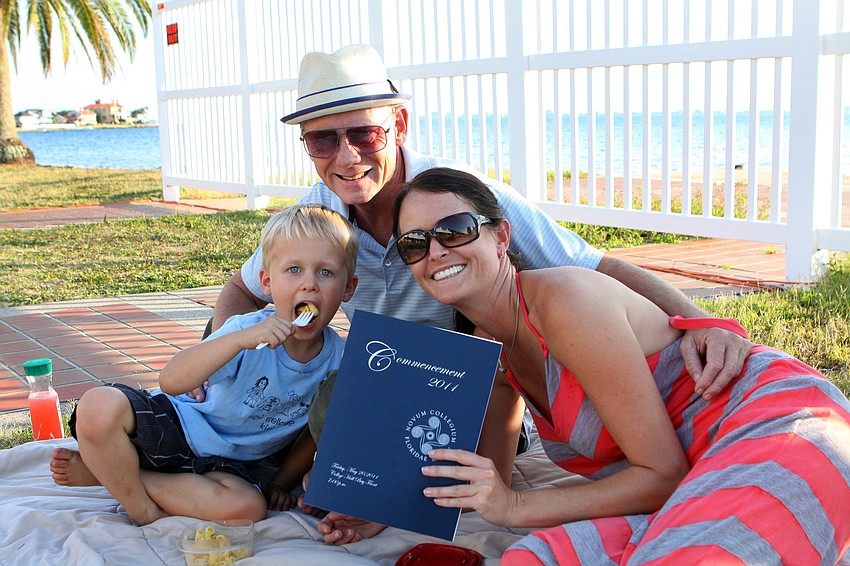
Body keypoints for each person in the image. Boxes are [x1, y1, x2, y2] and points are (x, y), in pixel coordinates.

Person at [207, 44, 751, 409]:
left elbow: (592, 266)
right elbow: (242, 288)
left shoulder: (459, 197)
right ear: (306, 144)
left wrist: (700, 319)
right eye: (323, 140)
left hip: (470, 387)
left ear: (398, 125)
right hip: (382, 381)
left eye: (364, 135)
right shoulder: (314, 217)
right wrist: (220, 365)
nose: (346, 158)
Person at [387, 167, 850, 564]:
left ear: (501, 236)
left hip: (776, 426)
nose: (436, 251)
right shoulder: (491, 352)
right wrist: (372, 503)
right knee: (530, 557)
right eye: (414, 244)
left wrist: (514, 507)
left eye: (455, 230)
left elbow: (660, 473)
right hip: (690, 479)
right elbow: (490, 482)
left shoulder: (564, 302)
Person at [49, 204, 358, 526]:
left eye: (326, 272)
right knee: (98, 405)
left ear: (348, 287)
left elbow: (315, 430)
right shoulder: (246, 330)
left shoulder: (342, 361)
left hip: (226, 467)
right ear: (266, 281)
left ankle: (110, 473)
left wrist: (280, 482)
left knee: (247, 509)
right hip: (176, 427)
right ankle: (142, 509)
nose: (309, 284)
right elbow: (171, 381)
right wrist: (239, 340)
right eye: (293, 269)